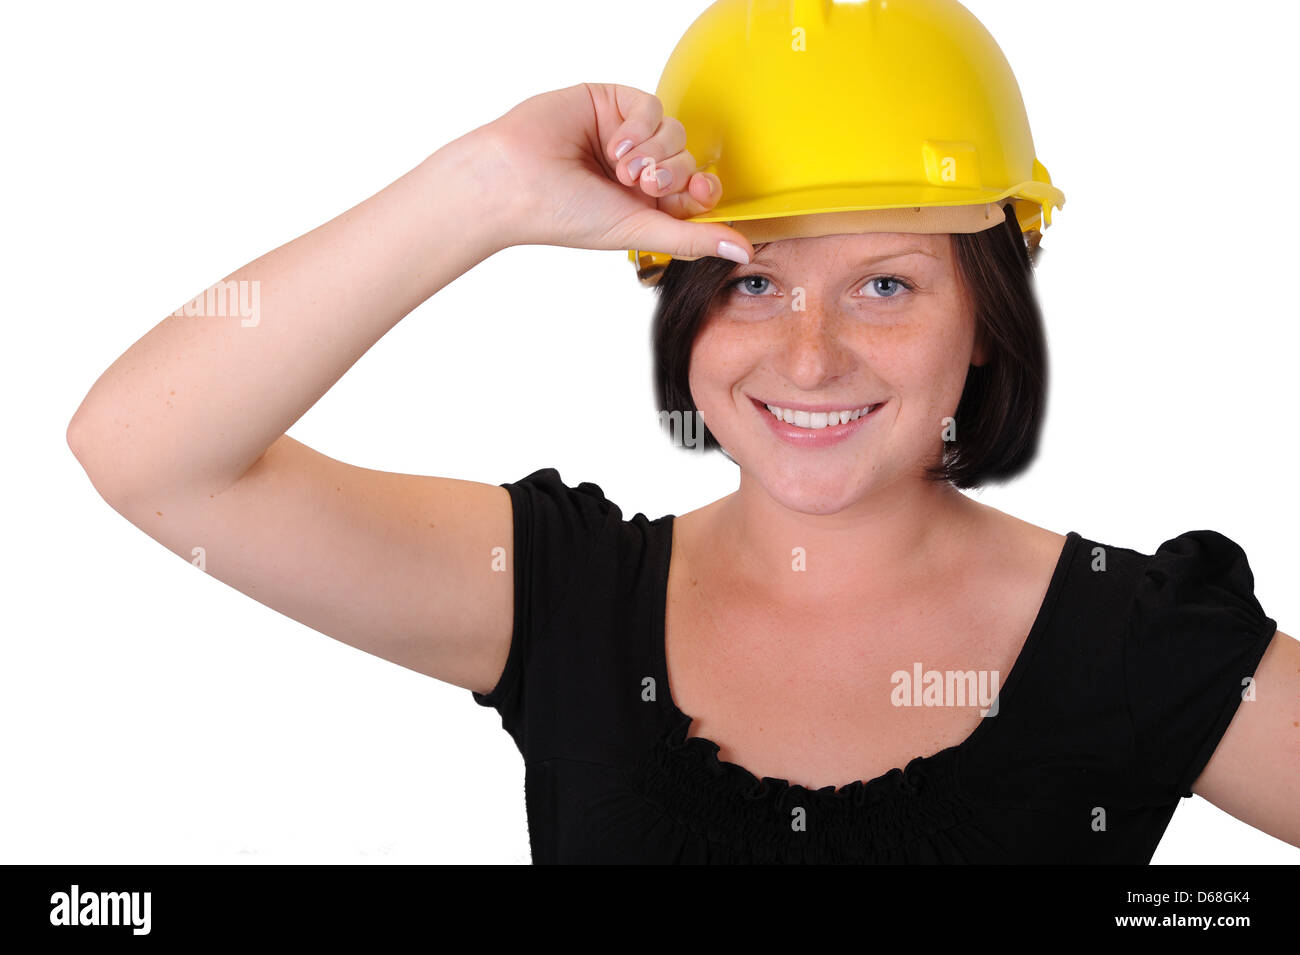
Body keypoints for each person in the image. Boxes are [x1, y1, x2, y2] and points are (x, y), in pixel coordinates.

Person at [67, 0, 1298, 863]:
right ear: (685, 297)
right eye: (752, 278)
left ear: (982, 318)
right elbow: (148, 451)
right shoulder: (561, 596)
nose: (807, 354)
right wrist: (483, 188)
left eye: (885, 283)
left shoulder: (1135, 639)